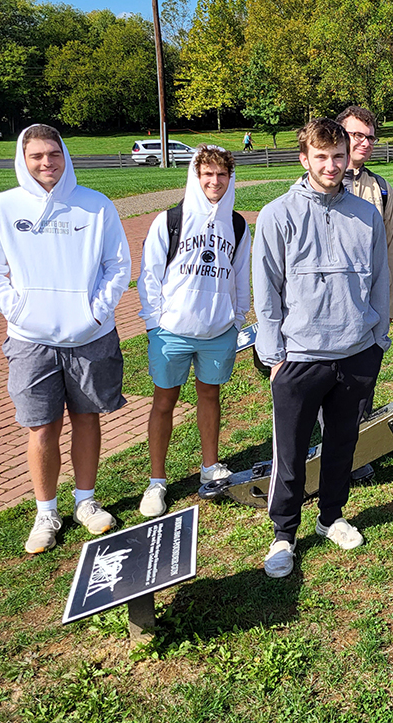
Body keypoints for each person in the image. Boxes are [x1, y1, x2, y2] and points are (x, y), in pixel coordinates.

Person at [0, 124, 130, 554]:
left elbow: (117, 265)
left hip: (90, 335)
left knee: (87, 417)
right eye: (37, 155)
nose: (47, 163)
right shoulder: (3, 207)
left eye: (54, 154)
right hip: (31, 340)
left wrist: (95, 310)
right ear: (23, 159)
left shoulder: (95, 206)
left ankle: (86, 501)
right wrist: (17, 309)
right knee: (42, 427)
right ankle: (46, 512)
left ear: (65, 155)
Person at [253, 118, 390, 578]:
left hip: (355, 351)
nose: (331, 165)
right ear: (304, 158)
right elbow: (266, 291)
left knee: (341, 445)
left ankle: (331, 515)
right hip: (300, 356)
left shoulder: (366, 214)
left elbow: (380, 280)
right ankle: (283, 534)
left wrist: (377, 340)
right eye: (321, 156)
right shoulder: (277, 214)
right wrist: (274, 356)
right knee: (289, 453)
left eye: (338, 156)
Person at [137, 145, 251, 517]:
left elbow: (240, 276)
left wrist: (235, 319)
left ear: (229, 178)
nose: (214, 182)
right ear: (195, 176)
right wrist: (155, 323)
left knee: (210, 397)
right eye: (207, 175)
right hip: (172, 330)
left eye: (221, 175)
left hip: (218, 330)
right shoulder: (170, 220)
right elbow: (150, 275)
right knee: (164, 402)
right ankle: (157, 481)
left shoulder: (236, 225)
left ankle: (210, 466)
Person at [336, 106, 393, 320]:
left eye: (371, 137)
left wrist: (391, 304)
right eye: (357, 135)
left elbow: (392, 246)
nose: (365, 143)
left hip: (370, 304)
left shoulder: (381, 188)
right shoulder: (313, 185)